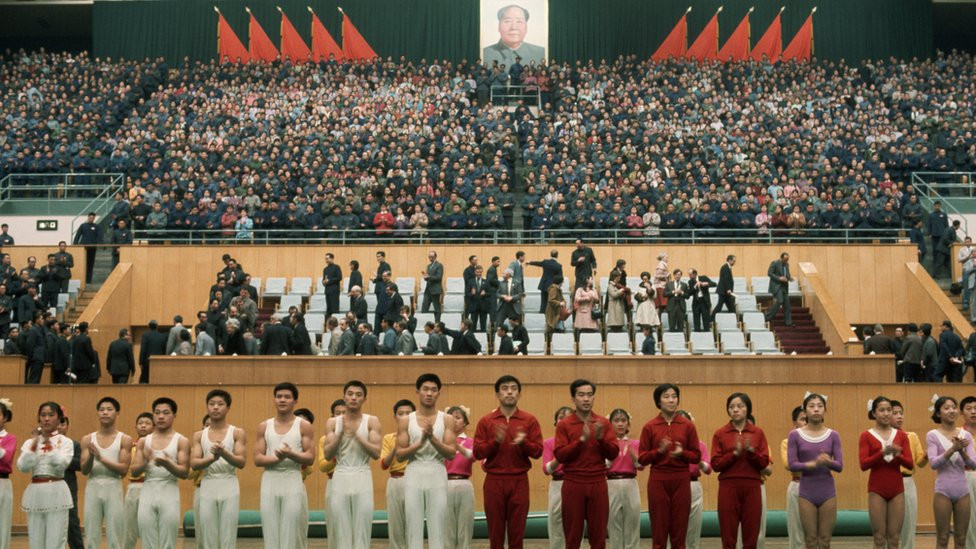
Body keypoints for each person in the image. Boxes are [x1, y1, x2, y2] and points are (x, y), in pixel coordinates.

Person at [473, 375, 544, 548]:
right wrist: (495, 442)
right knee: (495, 534)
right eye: (505, 388)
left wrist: (524, 442)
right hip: (494, 480)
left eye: (513, 388)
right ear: (497, 394)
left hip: (519, 480)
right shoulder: (486, 421)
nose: (509, 392)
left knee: (517, 534)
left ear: (519, 394)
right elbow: (477, 452)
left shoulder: (529, 420)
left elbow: (538, 452)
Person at [554, 379, 617, 549]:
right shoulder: (565, 424)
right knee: (573, 536)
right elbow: (560, 455)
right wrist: (580, 441)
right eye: (581, 395)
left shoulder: (603, 423)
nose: (586, 399)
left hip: (598, 481)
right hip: (573, 482)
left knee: (599, 537)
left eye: (589, 395)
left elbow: (613, 453)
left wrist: (600, 439)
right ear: (573, 399)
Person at [397, 373, 457, 549]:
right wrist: (420, 443)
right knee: (413, 523)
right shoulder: (406, 420)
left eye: (433, 390)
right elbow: (400, 454)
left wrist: (432, 439)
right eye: (425, 389)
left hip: (437, 469)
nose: (429, 394)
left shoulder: (447, 419)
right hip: (414, 470)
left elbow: (451, 453)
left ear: (439, 393)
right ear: (418, 392)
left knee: (438, 523)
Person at [638, 383, 701, 549]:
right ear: (658, 401)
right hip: (658, 478)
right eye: (666, 397)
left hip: (681, 478)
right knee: (659, 531)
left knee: (679, 532)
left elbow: (696, 456)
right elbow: (642, 459)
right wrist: (659, 451)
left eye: (674, 396)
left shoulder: (687, 426)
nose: (671, 400)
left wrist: (682, 454)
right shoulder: (650, 426)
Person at [321, 381, 382, 549]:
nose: (354, 397)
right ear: (344, 397)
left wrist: (357, 435)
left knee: (362, 526)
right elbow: (327, 454)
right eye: (350, 394)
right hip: (341, 474)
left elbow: (376, 453)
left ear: (364, 398)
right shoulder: (333, 422)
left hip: (362, 473)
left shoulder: (372, 421)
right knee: (341, 527)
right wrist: (340, 434)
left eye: (358, 394)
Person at [254, 382, 314, 549]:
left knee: (291, 529)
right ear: (274, 400)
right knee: (270, 528)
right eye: (279, 396)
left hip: (292, 478)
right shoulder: (264, 426)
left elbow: (310, 457)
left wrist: (291, 454)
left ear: (295, 401)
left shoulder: (303, 426)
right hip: (270, 479)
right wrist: (276, 458)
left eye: (287, 397)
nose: (282, 400)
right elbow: (257, 459)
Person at [711, 393, 770, 549]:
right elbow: (715, 465)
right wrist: (734, 454)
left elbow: (764, 463)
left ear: (747, 409)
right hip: (728, 487)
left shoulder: (757, 433)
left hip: (752, 486)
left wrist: (751, 452)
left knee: (751, 536)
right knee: (728, 536)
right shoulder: (720, 433)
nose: (735, 410)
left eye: (740, 406)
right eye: (731, 407)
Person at [190, 390, 246, 549]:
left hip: (229, 482)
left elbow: (241, 462)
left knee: (227, 532)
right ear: (207, 407)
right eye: (212, 404)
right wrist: (212, 458)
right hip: (208, 483)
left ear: (228, 408)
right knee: (208, 532)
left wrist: (224, 453)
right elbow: (194, 463)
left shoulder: (236, 432)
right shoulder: (199, 435)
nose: (215, 407)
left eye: (220, 404)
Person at [131, 397, 190, 549]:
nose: (161, 416)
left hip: (169, 489)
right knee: (147, 539)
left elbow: (184, 473)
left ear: (174, 416)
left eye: (165, 413)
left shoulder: (181, 441)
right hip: (148, 488)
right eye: (157, 413)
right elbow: (134, 471)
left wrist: (167, 463)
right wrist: (146, 461)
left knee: (168, 540)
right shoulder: (145, 441)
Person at [788, 393, 843, 549]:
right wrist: (811, 465)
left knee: (825, 540)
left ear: (825, 410)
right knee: (811, 540)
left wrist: (828, 462)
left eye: (820, 406)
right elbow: (792, 465)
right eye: (812, 406)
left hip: (827, 491)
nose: (816, 409)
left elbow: (839, 466)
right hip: (806, 491)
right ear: (805, 411)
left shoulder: (833, 435)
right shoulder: (795, 435)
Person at [16, 402, 73, 549]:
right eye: (43, 415)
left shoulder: (65, 442)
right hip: (35, 491)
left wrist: (48, 444)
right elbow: (22, 466)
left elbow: (62, 463)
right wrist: (35, 443)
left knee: (56, 540)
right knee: (36, 541)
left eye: (51, 415)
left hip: (57, 490)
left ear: (59, 418)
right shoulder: (31, 442)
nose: (46, 419)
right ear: (39, 418)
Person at [859, 396, 913, 549]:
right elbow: (863, 464)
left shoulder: (901, 435)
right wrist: (881, 453)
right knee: (879, 538)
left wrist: (898, 455)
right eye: (882, 410)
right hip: (877, 489)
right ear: (874, 413)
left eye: (889, 410)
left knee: (894, 538)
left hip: (897, 489)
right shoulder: (866, 435)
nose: (886, 413)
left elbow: (909, 464)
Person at [80, 397, 133, 549]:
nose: (105, 413)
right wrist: (91, 456)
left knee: (115, 534)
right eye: (102, 409)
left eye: (109, 409)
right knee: (91, 533)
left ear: (117, 413)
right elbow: (84, 470)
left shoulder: (124, 439)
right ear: (97, 413)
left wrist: (101, 458)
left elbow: (123, 470)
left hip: (113, 484)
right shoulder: (87, 439)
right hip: (93, 484)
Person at [928, 395, 976, 549]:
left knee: (961, 539)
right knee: (942, 538)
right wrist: (952, 449)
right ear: (938, 413)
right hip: (943, 490)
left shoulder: (965, 435)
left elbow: (973, 464)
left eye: (954, 407)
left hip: (963, 490)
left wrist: (962, 452)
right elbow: (934, 464)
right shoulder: (932, 435)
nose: (951, 411)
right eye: (946, 408)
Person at [892, 400, 927, 549]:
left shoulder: (911, 436)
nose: (899, 416)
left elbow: (919, 462)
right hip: (888, 480)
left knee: (909, 523)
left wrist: (926, 456)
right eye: (895, 413)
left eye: (901, 413)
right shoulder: (881, 437)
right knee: (889, 525)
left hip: (907, 481)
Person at [381, 399, 415, 549]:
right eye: (401, 414)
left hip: (415, 480)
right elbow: (384, 464)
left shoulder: (419, 437)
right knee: (395, 523)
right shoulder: (389, 438)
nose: (405, 416)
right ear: (395, 417)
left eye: (408, 413)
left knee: (414, 521)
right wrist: (396, 447)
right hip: (395, 480)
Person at [606, 409, 641, 549]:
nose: (620, 424)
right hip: (611, 483)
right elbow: (603, 465)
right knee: (613, 522)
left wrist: (632, 454)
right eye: (616, 421)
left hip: (630, 482)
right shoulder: (606, 444)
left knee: (632, 522)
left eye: (623, 421)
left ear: (628, 424)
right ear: (610, 424)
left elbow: (640, 465)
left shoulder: (635, 443)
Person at [444, 405, 475, 549]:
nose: (454, 421)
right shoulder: (442, 442)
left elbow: (473, 456)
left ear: (465, 422)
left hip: (464, 483)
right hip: (444, 484)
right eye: (451, 418)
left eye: (458, 417)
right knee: (447, 528)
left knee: (465, 526)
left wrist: (456, 445)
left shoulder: (471, 441)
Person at [544, 406, 573, 549]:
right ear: (556, 422)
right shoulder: (549, 443)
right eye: (561, 417)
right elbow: (547, 469)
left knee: (575, 524)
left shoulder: (579, 442)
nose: (564, 421)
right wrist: (560, 456)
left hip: (575, 482)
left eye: (568, 417)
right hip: (557, 484)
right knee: (556, 524)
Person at [123, 412, 154, 549]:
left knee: (150, 527)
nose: (143, 426)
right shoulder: (129, 447)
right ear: (135, 426)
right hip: (134, 487)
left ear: (154, 426)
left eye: (147, 423)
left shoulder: (158, 446)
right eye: (140, 423)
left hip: (152, 486)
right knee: (130, 527)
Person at [781, 407, 806, 549]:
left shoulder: (822, 438)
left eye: (808, 419)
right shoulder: (788, 441)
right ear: (794, 422)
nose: (806, 422)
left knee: (816, 531)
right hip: (798, 485)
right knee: (796, 530)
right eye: (803, 419)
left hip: (818, 485)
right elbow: (790, 464)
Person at [765, 253, 794, 326]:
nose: (786, 261)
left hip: (784, 287)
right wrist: (779, 278)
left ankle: (788, 322)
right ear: (781, 258)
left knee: (787, 304)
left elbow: (787, 274)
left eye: (787, 260)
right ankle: (767, 317)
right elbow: (769, 273)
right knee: (780, 300)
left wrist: (789, 278)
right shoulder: (775, 263)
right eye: (785, 260)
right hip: (777, 286)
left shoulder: (787, 264)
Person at [73, 212, 101, 283]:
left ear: (94, 218)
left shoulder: (97, 226)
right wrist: (75, 244)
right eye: (90, 217)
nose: (91, 219)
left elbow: (99, 236)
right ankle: (82, 279)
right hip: (83, 248)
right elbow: (77, 235)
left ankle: (88, 280)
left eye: (93, 218)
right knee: (83, 263)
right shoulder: (83, 226)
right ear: (88, 217)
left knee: (90, 264)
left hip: (92, 247)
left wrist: (101, 244)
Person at [422, 251, 444, 323]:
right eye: (429, 257)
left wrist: (429, 277)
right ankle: (424, 323)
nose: (430, 258)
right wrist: (425, 277)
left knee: (437, 308)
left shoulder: (439, 265)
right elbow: (429, 278)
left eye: (432, 257)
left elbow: (439, 277)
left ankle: (437, 323)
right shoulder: (428, 266)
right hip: (428, 289)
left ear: (435, 257)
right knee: (424, 307)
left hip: (435, 290)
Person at [322, 253, 343, 317]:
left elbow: (339, 277)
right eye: (325, 259)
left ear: (332, 258)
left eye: (328, 258)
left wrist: (329, 280)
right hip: (327, 290)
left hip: (334, 291)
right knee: (328, 309)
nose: (326, 260)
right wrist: (323, 282)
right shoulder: (325, 269)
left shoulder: (337, 267)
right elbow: (324, 279)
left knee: (335, 308)